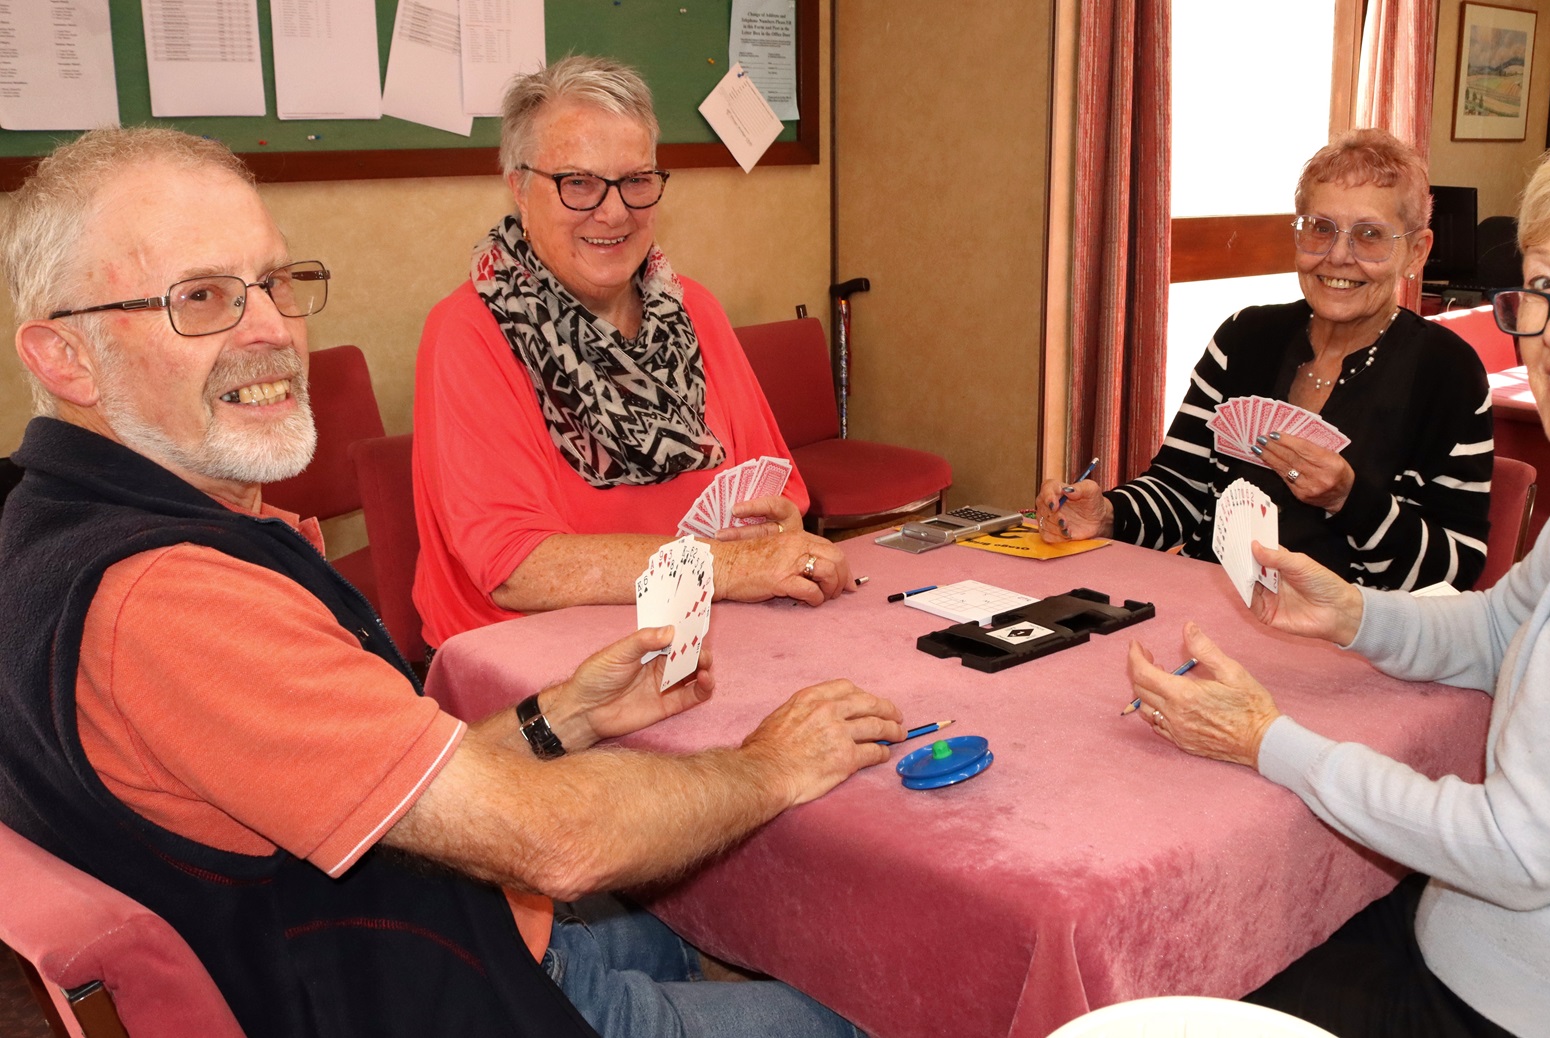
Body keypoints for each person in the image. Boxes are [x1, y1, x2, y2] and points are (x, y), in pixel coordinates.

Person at [0, 126, 904, 1038]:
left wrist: (558, 718)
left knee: (702, 937)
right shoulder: (175, 601)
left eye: (274, 283)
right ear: (62, 357)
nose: (273, 330)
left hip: (437, 927)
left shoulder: (53, 524)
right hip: (426, 994)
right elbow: (558, 839)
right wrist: (769, 766)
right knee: (884, 1013)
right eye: (200, 297)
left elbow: (365, 778)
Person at [1124, 122, 1550, 1038]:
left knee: (1162, 987)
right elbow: (1496, 629)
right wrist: (1353, 613)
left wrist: (1265, 741)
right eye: (1546, 287)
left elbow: (1521, 852)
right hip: (1493, 948)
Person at [413, 56, 849, 648]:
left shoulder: (695, 308)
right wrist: (734, 568)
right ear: (519, 186)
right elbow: (516, 569)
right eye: (579, 183)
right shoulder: (466, 332)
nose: (614, 211)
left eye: (637, 181)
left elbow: (776, 492)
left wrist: (778, 531)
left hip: (705, 628)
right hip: (538, 656)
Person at [1040, 129, 1494, 591]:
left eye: (1370, 235)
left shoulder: (1448, 373)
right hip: (1214, 608)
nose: (1338, 256)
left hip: (1352, 637)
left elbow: (1457, 570)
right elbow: (1180, 489)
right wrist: (1109, 514)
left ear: (1416, 252)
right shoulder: (1245, 338)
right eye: (1320, 228)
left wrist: (1350, 499)